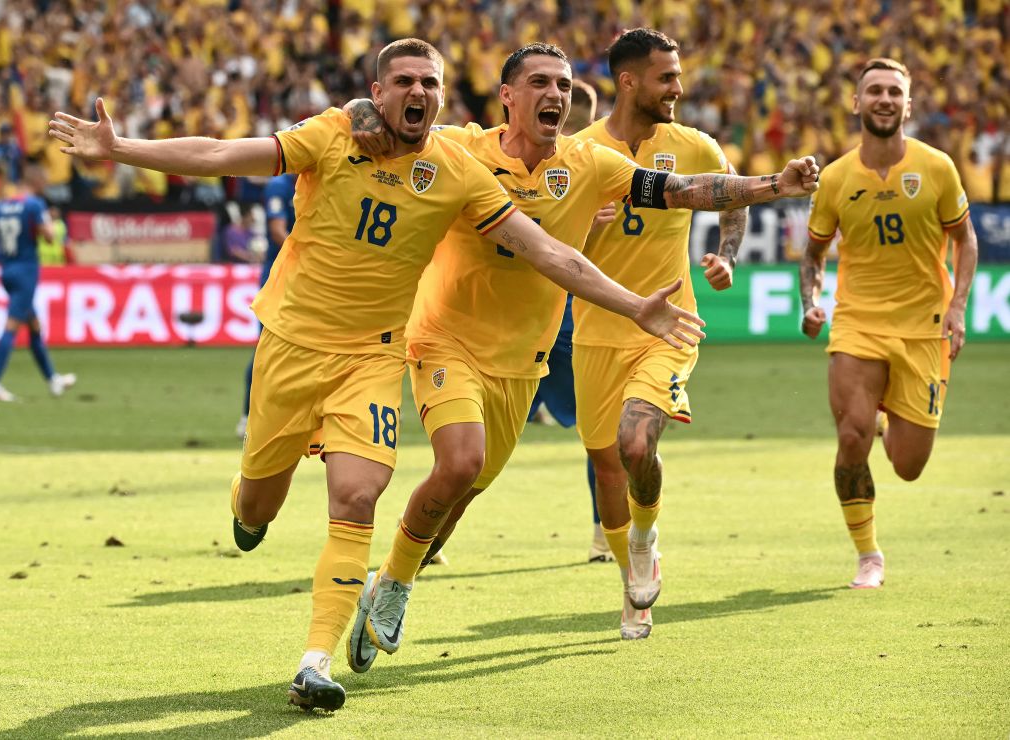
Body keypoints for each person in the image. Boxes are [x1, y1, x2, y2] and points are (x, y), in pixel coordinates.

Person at [49, 38, 708, 713]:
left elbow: (544, 249)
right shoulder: (332, 135)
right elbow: (226, 155)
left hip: (376, 354)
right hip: (291, 344)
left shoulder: (456, 168)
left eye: (430, 82)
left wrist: (635, 307)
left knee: (359, 495)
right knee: (256, 511)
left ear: (443, 96)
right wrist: (122, 149)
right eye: (403, 81)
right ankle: (250, 497)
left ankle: (315, 661)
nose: (418, 92)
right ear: (377, 90)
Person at [341, 41, 813, 669]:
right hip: (443, 337)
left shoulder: (587, 162)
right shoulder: (462, 148)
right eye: (539, 83)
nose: (555, 95)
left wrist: (771, 184)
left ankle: (387, 580)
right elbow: (375, 114)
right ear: (507, 96)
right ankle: (396, 586)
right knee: (460, 462)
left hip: (522, 361)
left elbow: (681, 190)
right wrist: (365, 112)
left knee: (466, 487)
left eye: (563, 86)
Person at [570, 28, 749, 640]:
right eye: (666, 77)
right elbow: (544, 245)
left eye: (678, 75)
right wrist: (582, 229)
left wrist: (728, 251)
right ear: (629, 82)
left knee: (637, 444)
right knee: (608, 468)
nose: (679, 87)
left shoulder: (692, 144)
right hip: (595, 332)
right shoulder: (579, 152)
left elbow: (733, 196)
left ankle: (645, 543)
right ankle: (631, 580)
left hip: (670, 324)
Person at [800, 58, 976, 590]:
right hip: (857, 323)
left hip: (924, 327)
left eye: (893, 92)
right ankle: (868, 554)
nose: (883, 99)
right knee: (851, 437)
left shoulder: (938, 168)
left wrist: (959, 305)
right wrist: (810, 300)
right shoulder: (835, 178)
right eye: (873, 90)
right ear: (856, 103)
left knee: (907, 464)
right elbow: (813, 254)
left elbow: (966, 240)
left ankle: (883, 420)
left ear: (908, 104)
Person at [521, 78, 614, 563]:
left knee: (469, 441)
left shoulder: (587, 162)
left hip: (529, 317)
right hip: (561, 321)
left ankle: (423, 533)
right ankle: (604, 534)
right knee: (599, 432)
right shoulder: (591, 163)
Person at [0, 165, 77, 401]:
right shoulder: (34, 204)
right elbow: (49, 236)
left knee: (34, 326)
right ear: (35, 180)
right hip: (26, 271)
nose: (46, 186)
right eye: (44, 180)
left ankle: (53, 380)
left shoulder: (1, 206)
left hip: (6, 271)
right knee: (11, 327)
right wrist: (51, 223)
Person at [237, 173, 296, 439]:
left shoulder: (324, 178)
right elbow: (276, 231)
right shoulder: (279, 185)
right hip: (279, 278)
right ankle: (248, 415)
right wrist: (313, 258)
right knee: (266, 347)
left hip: (313, 281)